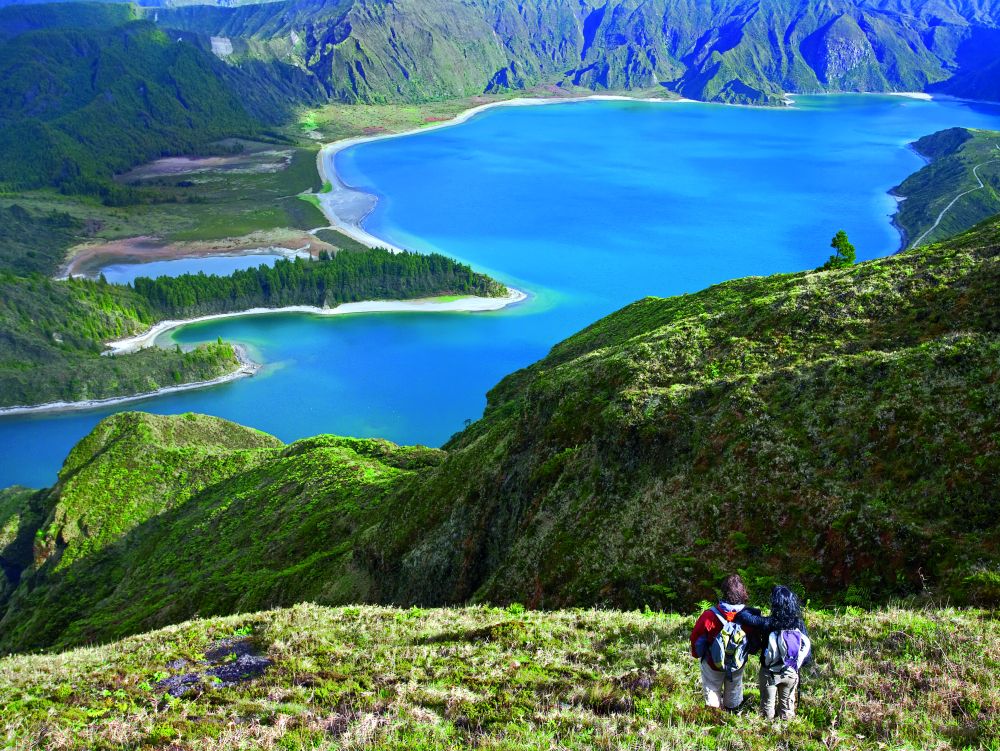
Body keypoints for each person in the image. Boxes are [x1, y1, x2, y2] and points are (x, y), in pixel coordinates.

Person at [736, 585, 812, 720]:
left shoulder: (768, 623)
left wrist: (756, 611)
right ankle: (786, 734)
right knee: (787, 711)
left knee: (767, 710)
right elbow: (807, 652)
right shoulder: (799, 624)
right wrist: (795, 666)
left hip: (769, 672)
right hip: (791, 672)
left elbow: (743, 615)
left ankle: (768, 732)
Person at [690, 574, 753, 711]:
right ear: (742, 592)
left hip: (712, 662)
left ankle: (714, 715)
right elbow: (753, 639)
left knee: (712, 687)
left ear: (724, 592)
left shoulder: (710, 615)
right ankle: (733, 714)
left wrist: (697, 654)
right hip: (737, 662)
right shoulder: (749, 616)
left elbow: (697, 638)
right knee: (734, 687)